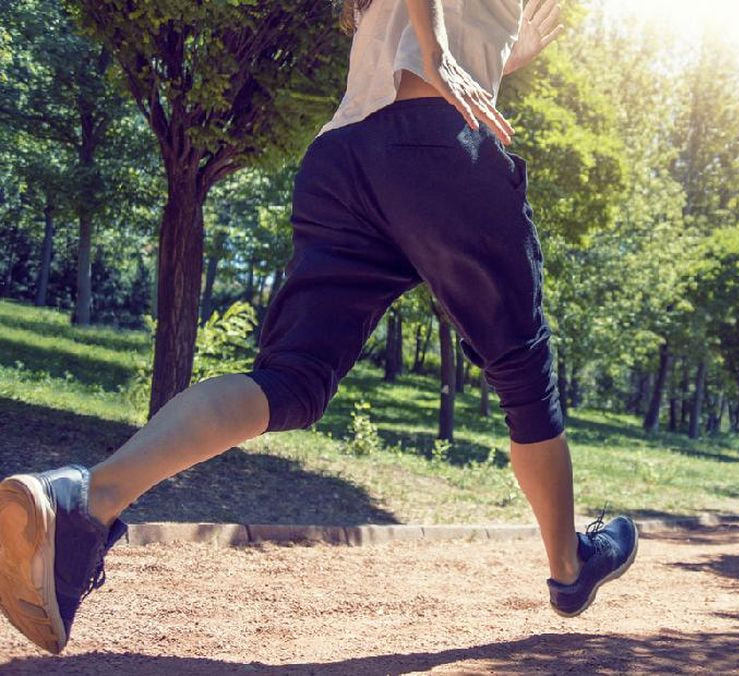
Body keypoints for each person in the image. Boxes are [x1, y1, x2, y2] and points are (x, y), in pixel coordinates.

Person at [0, 0, 638, 655]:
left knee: (289, 379)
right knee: (524, 373)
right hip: (437, 142)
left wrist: (496, 53)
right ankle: (570, 568)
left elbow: (415, 45)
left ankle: (85, 499)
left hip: (343, 160)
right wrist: (445, 55)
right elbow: (429, 57)